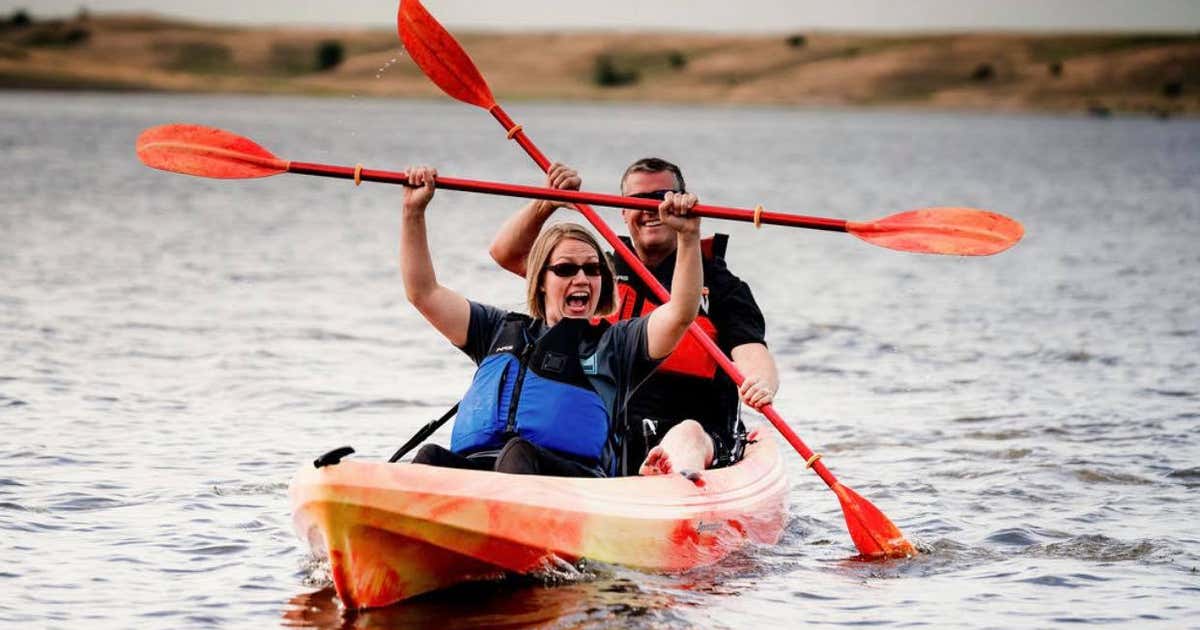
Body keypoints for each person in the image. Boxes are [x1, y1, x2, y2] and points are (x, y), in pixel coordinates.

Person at [399, 166, 703, 477]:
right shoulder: (495, 330)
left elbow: (680, 312)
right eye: (566, 269)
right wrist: (413, 210)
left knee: (517, 453)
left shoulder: (617, 345)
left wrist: (688, 236)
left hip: (571, 483)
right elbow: (423, 293)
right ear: (541, 280)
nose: (582, 278)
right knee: (430, 456)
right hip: (483, 476)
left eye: (593, 269)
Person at [489, 158, 779, 478]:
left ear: (682, 204)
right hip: (609, 441)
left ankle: (674, 483)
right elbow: (508, 254)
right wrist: (546, 203)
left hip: (702, 439)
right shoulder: (597, 276)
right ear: (623, 212)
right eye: (636, 202)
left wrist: (759, 383)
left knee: (687, 434)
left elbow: (752, 352)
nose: (650, 209)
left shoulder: (723, 288)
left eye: (661, 199)